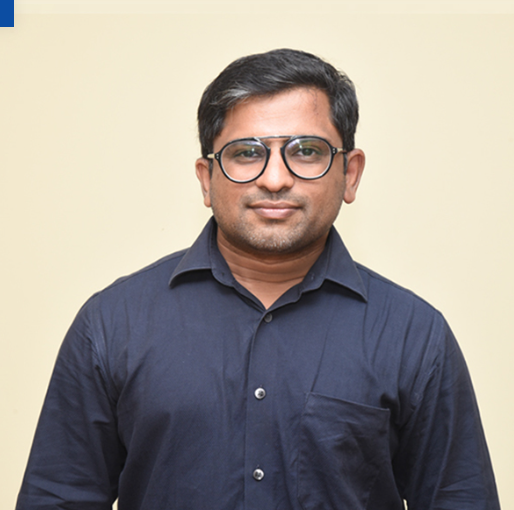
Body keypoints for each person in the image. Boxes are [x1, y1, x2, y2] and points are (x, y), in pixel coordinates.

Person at [17, 49, 500, 510]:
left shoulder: (414, 336)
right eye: (247, 153)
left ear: (350, 174)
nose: (274, 179)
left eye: (306, 151)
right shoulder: (112, 324)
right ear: (206, 179)